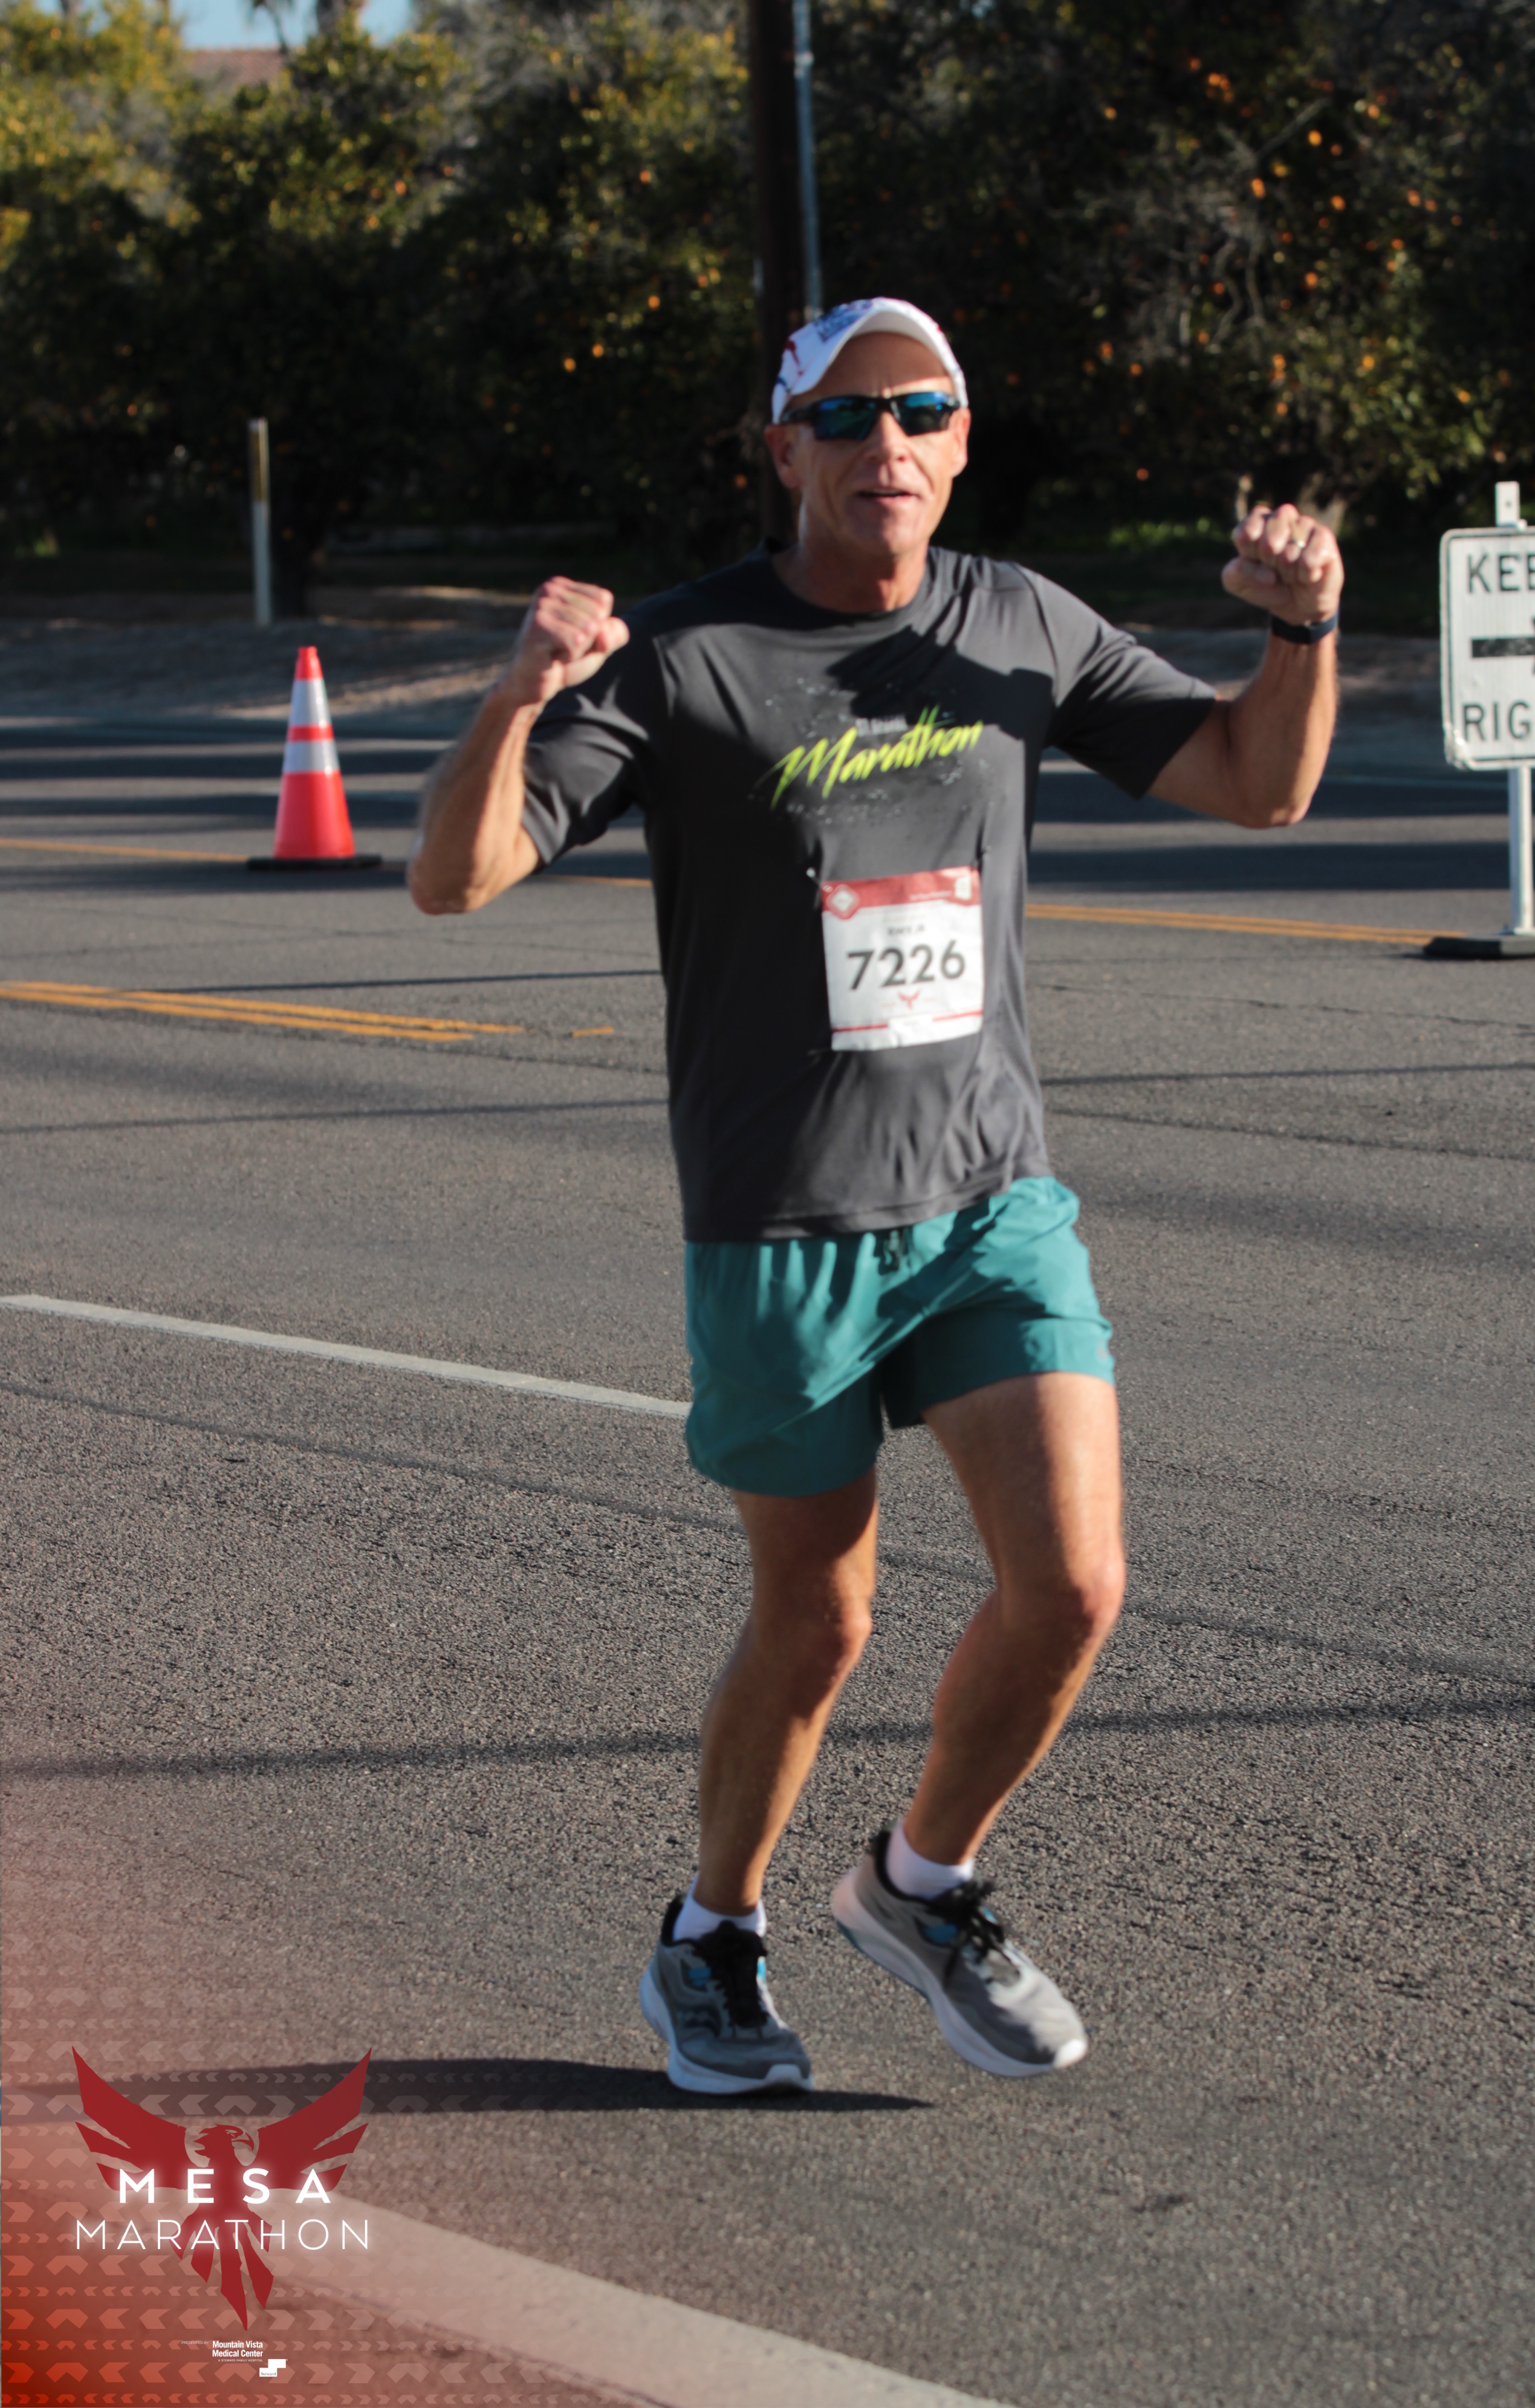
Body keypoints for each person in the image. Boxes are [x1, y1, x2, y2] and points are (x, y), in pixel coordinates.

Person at [409, 297, 1343, 2094]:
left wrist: (1300, 629)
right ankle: (713, 1934)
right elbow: (461, 880)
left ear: (962, 442)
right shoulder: (684, 658)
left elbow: (1257, 783)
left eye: (919, 411)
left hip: (989, 1198)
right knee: (820, 1621)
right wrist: (518, 696)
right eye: (844, 420)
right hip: (783, 1223)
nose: (884, 444)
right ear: (786, 452)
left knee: (1074, 1587)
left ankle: (921, 1884)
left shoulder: (1018, 622)